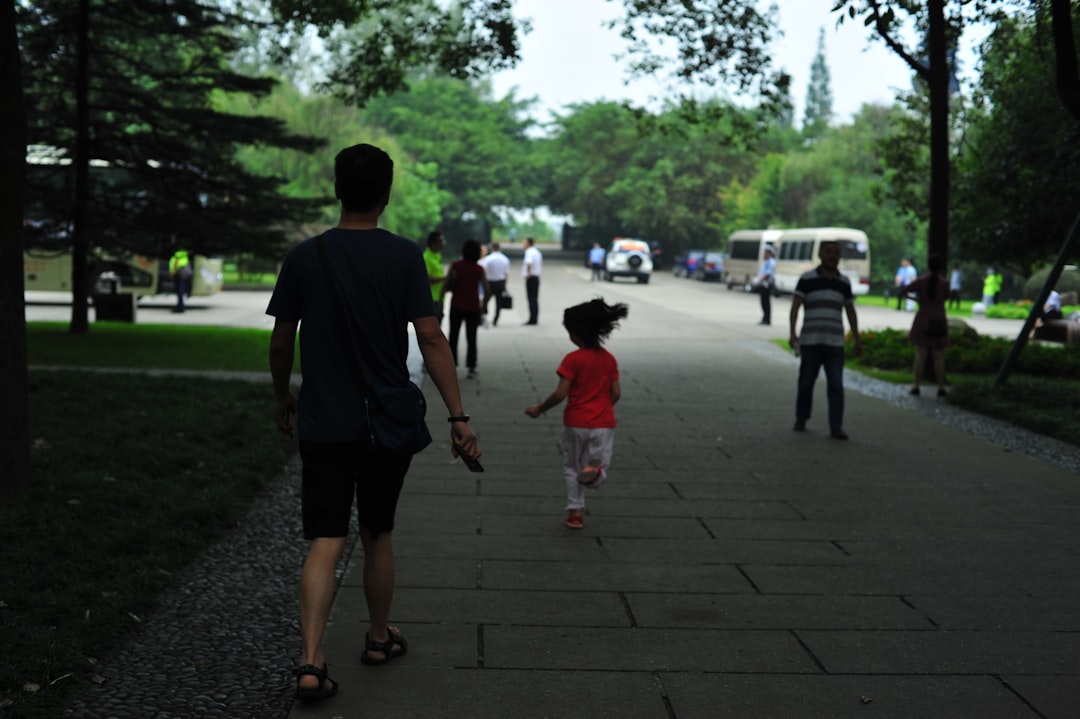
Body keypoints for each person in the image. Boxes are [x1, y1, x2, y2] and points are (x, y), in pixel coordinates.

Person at [266, 144, 480, 703]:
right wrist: (458, 414)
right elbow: (431, 338)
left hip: (323, 419)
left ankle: (311, 661)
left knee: (326, 538)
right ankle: (379, 638)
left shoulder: (304, 257)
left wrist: (281, 395)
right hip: (386, 422)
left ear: (338, 190)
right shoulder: (404, 256)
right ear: (386, 194)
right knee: (378, 532)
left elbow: (281, 338)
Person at [524, 298, 628, 529]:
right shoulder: (609, 359)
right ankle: (596, 474)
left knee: (571, 467)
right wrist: (603, 407)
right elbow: (616, 393)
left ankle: (575, 513)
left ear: (576, 333)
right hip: (602, 422)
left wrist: (539, 409)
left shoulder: (572, 360)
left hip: (576, 422)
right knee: (598, 463)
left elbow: (561, 393)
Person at [789, 240, 862, 440]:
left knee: (836, 385)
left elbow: (850, 311)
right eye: (828, 252)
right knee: (806, 382)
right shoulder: (807, 279)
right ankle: (801, 417)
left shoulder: (844, 283)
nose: (832, 256)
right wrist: (793, 333)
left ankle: (836, 425)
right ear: (820, 255)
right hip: (811, 341)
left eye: (836, 252)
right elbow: (795, 306)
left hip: (835, 342)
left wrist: (856, 338)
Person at [900, 254, 950, 397]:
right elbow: (946, 297)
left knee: (921, 354)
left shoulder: (921, 281)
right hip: (939, 319)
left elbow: (903, 291)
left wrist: (917, 301)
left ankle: (916, 385)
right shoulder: (944, 283)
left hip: (923, 318)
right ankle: (941, 387)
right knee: (939, 356)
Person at [445, 239, 490, 379]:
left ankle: (452, 366)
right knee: (472, 338)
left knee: (453, 336)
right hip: (473, 307)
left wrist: (440, 300)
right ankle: (471, 367)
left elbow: (446, 284)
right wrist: (484, 306)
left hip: (456, 305)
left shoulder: (455, 265)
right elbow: (487, 290)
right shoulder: (479, 269)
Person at [479, 242, 510, 326]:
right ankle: (496, 319)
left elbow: (483, 272)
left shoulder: (488, 259)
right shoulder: (505, 259)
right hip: (500, 282)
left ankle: (484, 314)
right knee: (498, 301)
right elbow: (506, 274)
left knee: (486, 300)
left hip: (489, 282)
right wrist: (505, 285)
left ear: (492, 248)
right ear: (499, 248)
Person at [423, 231, 447, 326]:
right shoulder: (427, 258)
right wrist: (446, 278)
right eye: (440, 241)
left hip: (439, 297)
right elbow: (427, 279)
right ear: (432, 243)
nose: (442, 244)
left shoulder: (437, 256)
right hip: (432, 298)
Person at [168, 236, 192, 314]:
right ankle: (180, 306)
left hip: (178, 275)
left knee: (179, 292)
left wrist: (172, 272)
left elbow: (174, 266)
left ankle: (180, 307)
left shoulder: (176, 257)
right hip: (183, 276)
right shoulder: (184, 256)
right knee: (180, 292)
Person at [753, 245, 776, 325]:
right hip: (763, 284)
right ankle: (764, 318)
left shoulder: (771, 262)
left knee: (766, 303)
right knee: (763, 302)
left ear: (769, 253)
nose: (764, 255)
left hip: (767, 285)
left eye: (765, 253)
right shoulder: (767, 262)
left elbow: (768, 274)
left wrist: (759, 279)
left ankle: (767, 319)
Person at [522, 237, 542, 325]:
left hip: (531, 277)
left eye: (524, 243)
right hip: (536, 277)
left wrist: (528, 273)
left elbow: (529, 263)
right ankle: (534, 317)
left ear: (529, 243)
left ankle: (532, 319)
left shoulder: (529, 252)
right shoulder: (537, 252)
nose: (523, 245)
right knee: (535, 298)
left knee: (531, 299)